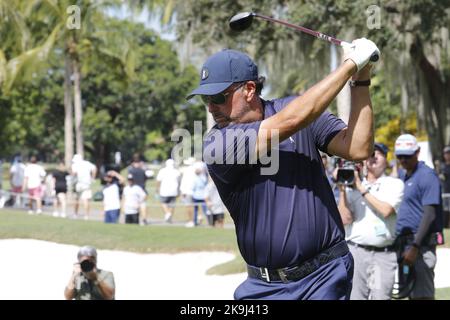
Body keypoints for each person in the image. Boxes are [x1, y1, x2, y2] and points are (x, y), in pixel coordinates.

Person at [188, 41, 380, 300]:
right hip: (266, 288)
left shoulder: (299, 111)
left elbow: (358, 148)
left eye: (218, 98)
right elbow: (289, 122)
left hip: (325, 276)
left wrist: (361, 78)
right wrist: (350, 65)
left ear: (249, 89)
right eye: (205, 99)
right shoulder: (217, 144)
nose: (211, 108)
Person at [337, 143, 404, 299]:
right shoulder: (351, 184)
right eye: (369, 154)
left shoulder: (394, 184)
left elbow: (386, 211)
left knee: (380, 297)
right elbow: (345, 219)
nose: (372, 157)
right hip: (356, 251)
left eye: (377, 154)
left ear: (386, 159)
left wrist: (361, 188)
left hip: (382, 255)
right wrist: (342, 190)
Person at [394, 134, 444, 300]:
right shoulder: (402, 175)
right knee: (408, 294)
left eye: (407, 156)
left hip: (420, 246)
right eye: (399, 156)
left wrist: (415, 246)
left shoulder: (426, 175)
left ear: (417, 152)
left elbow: (430, 214)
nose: (403, 159)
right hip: (403, 244)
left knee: (422, 296)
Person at [71, 154, 97, 220]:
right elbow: (94, 168)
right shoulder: (87, 163)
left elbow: (74, 173)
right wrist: (93, 178)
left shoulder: (75, 165)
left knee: (77, 199)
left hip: (78, 183)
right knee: (86, 200)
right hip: (87, 183)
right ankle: (86, 215)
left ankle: (75, 214)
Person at [156, 159, 181, 223]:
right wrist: (178, 191)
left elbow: (158, 181)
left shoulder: (162, 171)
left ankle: (167, 214)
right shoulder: (176, 171)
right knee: (172, 205)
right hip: (174, 190)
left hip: (164, 190)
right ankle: (169, 216)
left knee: (163, 203)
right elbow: (179, 182)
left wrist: (157, 189)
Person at [128, 153, 149, 225]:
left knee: (136, 205)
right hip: (142, 188)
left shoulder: (131, 169)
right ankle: (144, 219)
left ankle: (139, 219)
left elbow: (129, 179)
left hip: (135, 188)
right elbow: (146, 178)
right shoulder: (143, 169)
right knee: (143, 204)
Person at [439, 146, 450, 228]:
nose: (447, 155)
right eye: (446, 153)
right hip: (445, 192)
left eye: (448, 153)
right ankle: (445, 227)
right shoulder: (442, 166)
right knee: (445, 211)